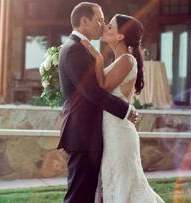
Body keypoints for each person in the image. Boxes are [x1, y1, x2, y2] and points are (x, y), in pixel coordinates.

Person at [57, 3, 138, 203]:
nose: (103, 25)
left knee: (88, 195)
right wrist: (125, 110)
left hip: (91, 134)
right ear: (84, 21)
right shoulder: (75, 50)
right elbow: (92, 92)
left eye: (106, 22)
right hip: (82, 134)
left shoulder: (82, 49)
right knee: (79, 196)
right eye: (100, 20)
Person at [81, 14, 165, 203]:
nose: (104, 28)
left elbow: (102, 88)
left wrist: (98, 59)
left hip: (119, 134)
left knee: (124, 187)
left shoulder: (127, 60)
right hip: (110, 132)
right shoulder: (119, 60)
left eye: (109, 27)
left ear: (120, 37)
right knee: (113, 184)